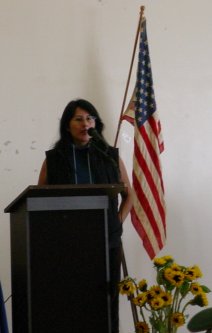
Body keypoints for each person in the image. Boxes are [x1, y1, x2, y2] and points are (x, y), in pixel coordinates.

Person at [38, 98, 132, 333]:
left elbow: (130, 196)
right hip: (67, 244)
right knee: (72, 302)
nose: (85, 123)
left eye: (89, 118)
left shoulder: (109, 155)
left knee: (106, 303)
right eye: (78, 119)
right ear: (67, 125)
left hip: (106, 242)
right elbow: (38, 201)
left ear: (96, 123)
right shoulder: (54, 159)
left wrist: (115, 222)